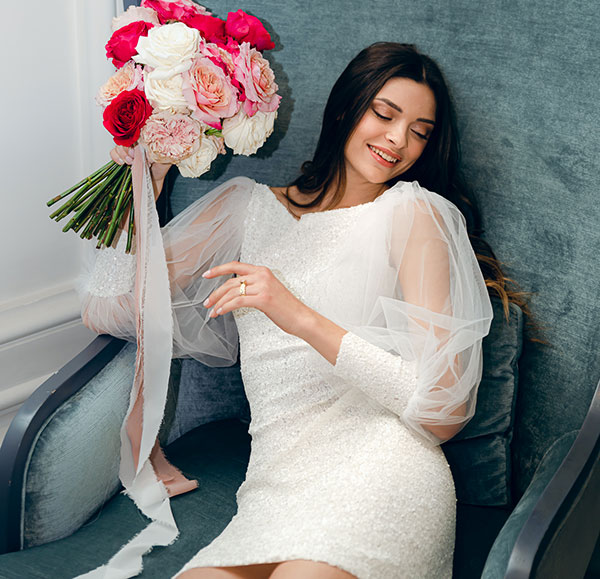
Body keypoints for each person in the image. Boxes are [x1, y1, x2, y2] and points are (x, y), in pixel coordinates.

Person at [79, 42, 522, 579]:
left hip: (384, 468)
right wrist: (142, 182)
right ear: (344, 109)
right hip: (275, 482)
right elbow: (110, 307)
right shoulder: (247, 207)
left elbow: (443, 412)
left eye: (419, 131)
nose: (397, 140)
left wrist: (299, 316)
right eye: (383, 114)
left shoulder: (414, 214)